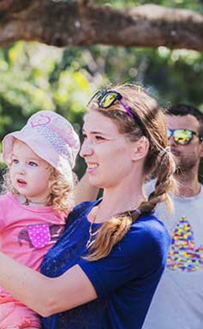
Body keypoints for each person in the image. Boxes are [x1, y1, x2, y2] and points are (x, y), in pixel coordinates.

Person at [0, 85, 174, 329]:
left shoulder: (145, 236)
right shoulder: (79, 215)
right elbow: (27, 243)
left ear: (139, 148)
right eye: (86, 136)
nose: (85, 151)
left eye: (99, 138)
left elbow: (49, 299)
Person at [73, 103, 203, 329]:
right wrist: (97, 159)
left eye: (183, 135)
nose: (172, 141)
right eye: (167, 134)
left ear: (201, 147)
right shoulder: (138, 198)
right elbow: (76, 213)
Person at [0, 110, 79, 329]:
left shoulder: (63, 212)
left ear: (55, 174)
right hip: (13, 300)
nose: (20, 169)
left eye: (32, 164)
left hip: (48, 298)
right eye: (16, 161)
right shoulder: (4, 206)